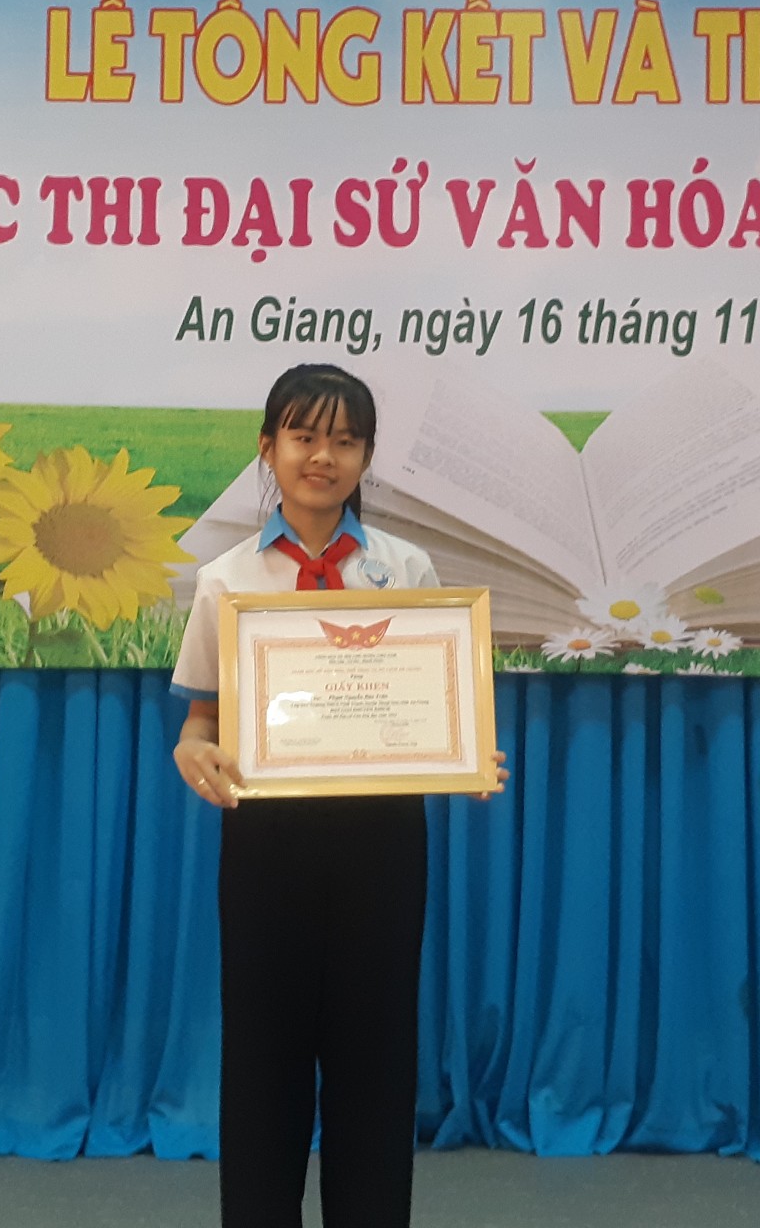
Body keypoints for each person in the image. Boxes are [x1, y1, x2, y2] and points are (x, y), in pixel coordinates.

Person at [171, 362, 507, 1228]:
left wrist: (465, 756)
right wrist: (192, 751)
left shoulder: (405, 566)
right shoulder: (226, 579)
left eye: (345, 441)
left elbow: (440, 703)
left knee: (375, 1058)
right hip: (266, 844)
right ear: (268, 448)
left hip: (381, 842)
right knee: (262, 1061)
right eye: (304, 436)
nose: (323, 457)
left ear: (365, 458)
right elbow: (201, 721)